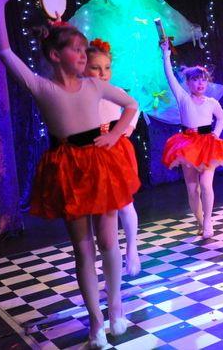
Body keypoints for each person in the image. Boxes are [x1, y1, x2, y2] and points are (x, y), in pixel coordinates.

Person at [0, 0, 139, 348]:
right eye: (76, 49)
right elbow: (4, 51)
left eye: (84, 49)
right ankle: (96, 322)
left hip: (100, 165)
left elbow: (131, 105)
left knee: (109, 242)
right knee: (83, 249)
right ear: (55, 55)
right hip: (68, 168)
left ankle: (116, 309)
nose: (84, 54)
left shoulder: (94, 84)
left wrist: (114, 135)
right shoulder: (41, 86)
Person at [159, 40, 223, 239]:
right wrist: (166, 54)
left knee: (206, 185)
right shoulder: (183, 98)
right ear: (188, 83)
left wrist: (216, 133)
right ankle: (200, 221)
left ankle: (208, 221)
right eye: (196, 80)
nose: (200, 83)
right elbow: (169, 77)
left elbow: (222, 117)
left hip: (208, 144)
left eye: (203, 80)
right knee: (193, 189)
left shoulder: (212, 102)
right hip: (187, 145)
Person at [85, 38, 142, 277]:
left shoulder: (115, 92)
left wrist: (126, 128)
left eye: (107, 68)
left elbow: (135, 106)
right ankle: (107, 253)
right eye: (96, 68)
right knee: (96, 207)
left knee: (124, 205)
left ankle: (132, 248)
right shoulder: (79, 93)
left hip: (114, 151)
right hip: (88, 152)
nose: (103, 73)